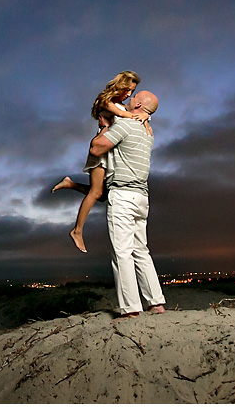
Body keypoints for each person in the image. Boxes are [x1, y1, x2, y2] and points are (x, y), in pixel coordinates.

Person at [52, 71, 149, 253]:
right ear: (120, 85)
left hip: (109, 150)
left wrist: (146, 118)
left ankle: (70, 184)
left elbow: (136, 113)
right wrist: (137, 117)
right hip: (101, 151)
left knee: (103, 195)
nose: (129, 94)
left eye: (132, 91)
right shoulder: (107, 101)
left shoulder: (120, 105)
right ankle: (77, 231)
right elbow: (125, 115)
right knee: (97, 193)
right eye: (128, 90)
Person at [90, 90, 165, 317]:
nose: (128, 100)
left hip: (123, 195)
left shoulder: (125, 125)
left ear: (138, 104)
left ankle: (130, 309)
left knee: (122, 252)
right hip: (142, 197)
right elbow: (143, 116)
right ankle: (156, 303)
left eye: (133, 98)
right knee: (141, 250)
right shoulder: (147, 131)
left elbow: (96, 148)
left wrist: (104, 127)